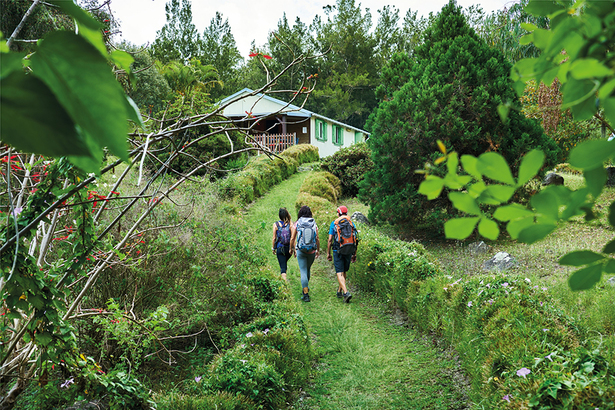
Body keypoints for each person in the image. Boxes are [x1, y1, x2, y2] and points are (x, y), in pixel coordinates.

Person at [327, 206, 358, 303]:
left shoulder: (334, 223)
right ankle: (339, 291)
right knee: (344, 271)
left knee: (339, 272)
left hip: (338, 250)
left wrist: (328, 253)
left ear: (339, 213)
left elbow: (329, 240)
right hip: (349, 249)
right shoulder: (351, 223)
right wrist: (354, 253)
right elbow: (356, 239)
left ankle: (346, 292)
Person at [290, 205, 319, 302]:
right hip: (312, 251)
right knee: (308, 269)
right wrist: (318, 250)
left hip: (301, 250)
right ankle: (305, 287)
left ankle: (305, 293)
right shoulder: (313, 223)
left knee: (303, 271)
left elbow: (292, 238)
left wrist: (292, 249)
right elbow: (317, 238)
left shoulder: (298, 223)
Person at [272, 208, 294, 281]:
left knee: (283, 267)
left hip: (280, 248)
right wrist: (293, 249)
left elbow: (274, 238)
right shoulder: (291, 223)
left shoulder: (276, 224)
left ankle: (284, 284)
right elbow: (292, 238)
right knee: (284, 264)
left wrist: (273, 248)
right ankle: (284, 278)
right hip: (289, 249)